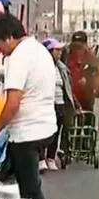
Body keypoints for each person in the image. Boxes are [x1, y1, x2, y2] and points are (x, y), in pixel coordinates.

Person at [0, 13, 56, 199]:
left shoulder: (18, 57)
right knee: (30, 183)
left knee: (29, 192)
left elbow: (13, 103)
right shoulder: (39, 50)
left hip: (26, 134)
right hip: (46, 128)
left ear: (9, 37)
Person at [39, 38, 80, 172]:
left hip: (61, 104)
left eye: (60, 50)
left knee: (56, 132)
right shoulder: (42, 68)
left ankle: (51, 158)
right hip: (47, 104)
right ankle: (41, 159)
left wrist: (75, 103)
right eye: (56, 50)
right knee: (45, 133)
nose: (59, 53)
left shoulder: (62, 68)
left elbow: (67, 88)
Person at [66, 31, 99, 112]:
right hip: (68, 94)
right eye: (75, 44)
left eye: (80, 45)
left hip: (85, 94)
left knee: (87, 115)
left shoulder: (91, 57)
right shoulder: (65, 55)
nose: (77, 48)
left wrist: (88, 78)